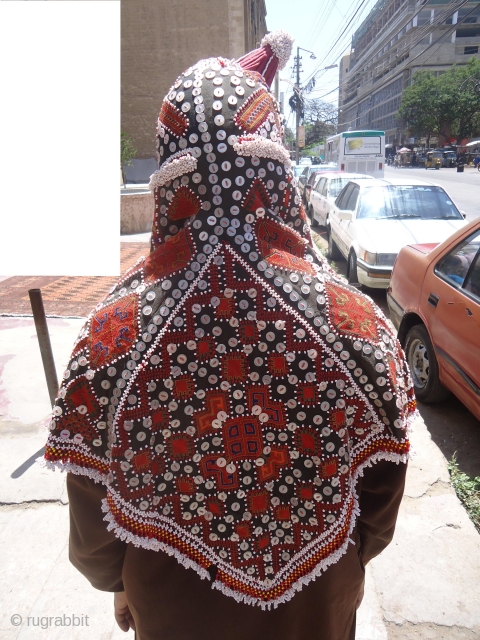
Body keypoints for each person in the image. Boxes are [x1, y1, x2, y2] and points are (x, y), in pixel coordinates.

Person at [41, 31, 414, 640]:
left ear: (169, 172)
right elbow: (378, 504)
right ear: (274, 166)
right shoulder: (356, 323)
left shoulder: (111, 334)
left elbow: (92, 542)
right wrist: (332, 568)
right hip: (316, 613)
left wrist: (126, 584)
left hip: (171, 614)